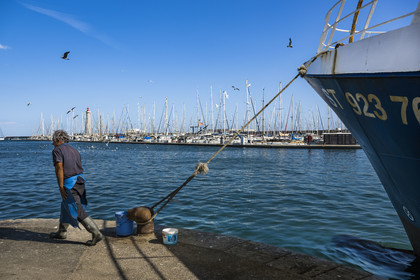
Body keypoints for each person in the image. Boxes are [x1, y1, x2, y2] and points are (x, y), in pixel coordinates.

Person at [50, 130, 103, 246]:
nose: (52, 143)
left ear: (58, 139)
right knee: (65, 204)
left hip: (70, 183)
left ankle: (96, 233)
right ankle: (62, 232)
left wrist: (60, 187)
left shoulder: (57, 150)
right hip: (80, 181)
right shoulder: (74, 150)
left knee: (75, 208)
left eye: (53, 140)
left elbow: (59, 168)